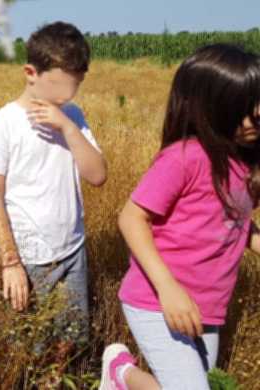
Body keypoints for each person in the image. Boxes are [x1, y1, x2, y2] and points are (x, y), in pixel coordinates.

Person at [100, 44, 260, 390]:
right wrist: (168, 288)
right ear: (212, 107)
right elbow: (131, 219)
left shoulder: (245, 165)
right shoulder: (185, 158)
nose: (257, 115)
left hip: (208, 307)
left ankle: (122, 376)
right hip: (157, 300)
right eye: (245, 107)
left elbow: (236, 224)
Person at [0, 21, 106, 349]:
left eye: (74, 87)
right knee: (30, 349)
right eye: (59, 87)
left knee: (70, 347)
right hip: (28, 259)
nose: (67, 96)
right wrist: (11, 262)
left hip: (73, 251)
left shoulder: (72, 115)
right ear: (30, 72)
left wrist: (68, 128)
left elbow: (98, 175)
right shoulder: (3, 124)